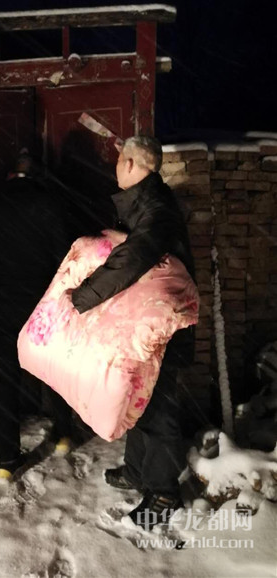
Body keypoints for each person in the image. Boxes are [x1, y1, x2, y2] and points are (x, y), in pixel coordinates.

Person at [71, 135, 197, 529]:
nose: (115, 168)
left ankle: (163, 493)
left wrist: (83, 296)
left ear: (129, 164)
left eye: (118, 161)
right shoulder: (147, 203)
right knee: (141, 403)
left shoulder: (156, 207)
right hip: (147, 325)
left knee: (159, 410)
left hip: (163, 328)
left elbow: (134, 257)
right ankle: (138, 472)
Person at [0, 151, 74, 480]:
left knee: (5, 380)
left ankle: (6, 459)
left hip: (3, 304)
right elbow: (64, 256)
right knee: (55, 371)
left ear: (9, 176)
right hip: (44, 304)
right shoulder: (50, 203)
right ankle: (63, 435)